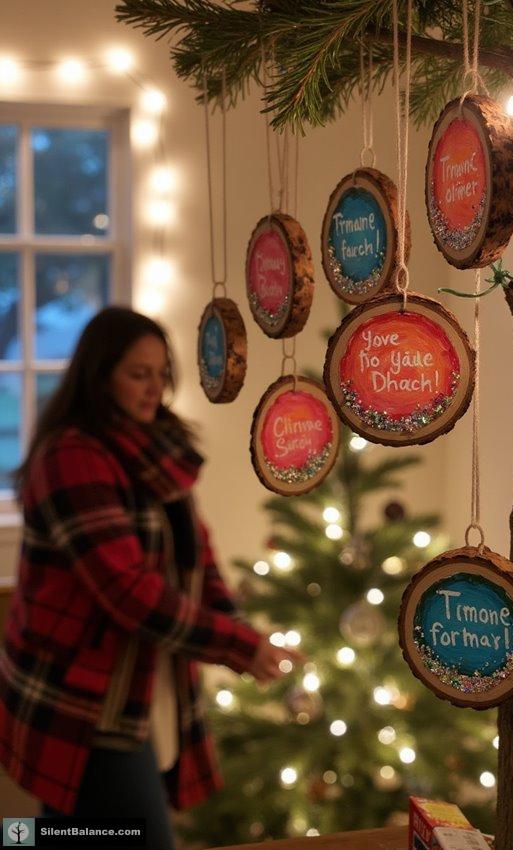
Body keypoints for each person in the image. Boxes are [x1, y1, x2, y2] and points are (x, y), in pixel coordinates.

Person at [0, 306, 303, 848]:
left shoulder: (158, 447)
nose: (154, 388)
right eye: (138, 374)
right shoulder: (70, 456)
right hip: (85, 697)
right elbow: (129, 593)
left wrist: (241, 630)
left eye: (161, 373)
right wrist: (237, 644)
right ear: (99, 376)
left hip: (150, 682)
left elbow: (198, 559)